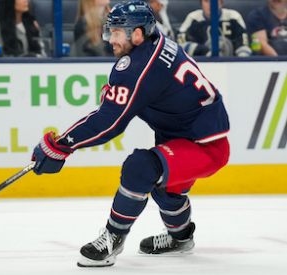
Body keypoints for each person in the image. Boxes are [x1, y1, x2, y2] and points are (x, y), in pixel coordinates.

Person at [31, 1, 230, 268]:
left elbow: (110, 123)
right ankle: (181, 239)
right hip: (189, 134)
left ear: (137, 34)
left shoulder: (138, 67)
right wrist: (119, 99)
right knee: (167, 191)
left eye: (116, 32)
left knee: (140, 168)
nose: (110, 40)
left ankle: (113, 237)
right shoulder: (156, 41)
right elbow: (141, 94)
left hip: (204, 146)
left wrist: (62, 144)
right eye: (109, 31)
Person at [177, 0, 252, 57]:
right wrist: (201, 50)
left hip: (231, 66)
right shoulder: (193, 18)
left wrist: (240, 63)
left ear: (221, 2)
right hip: (201, 66)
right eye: (206, 1)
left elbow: (244, 45)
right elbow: (180, 45)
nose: (210, 5)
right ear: (201, 3)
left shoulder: (233, 17)